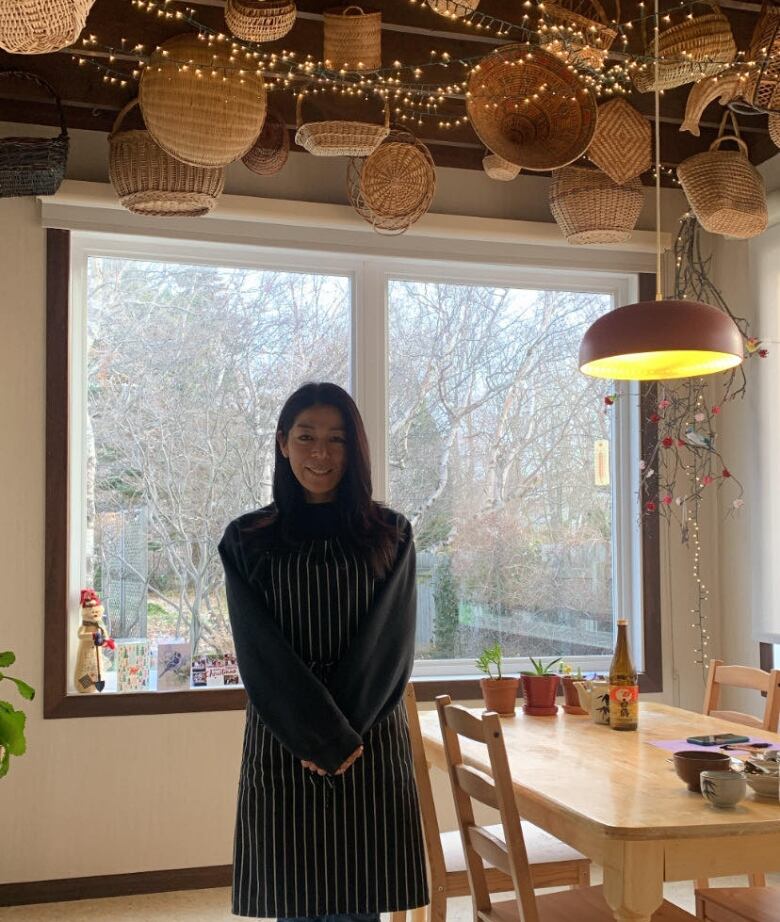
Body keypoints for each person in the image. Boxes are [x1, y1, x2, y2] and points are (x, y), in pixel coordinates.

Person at [218, 381, 429, 922]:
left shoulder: (392, 533)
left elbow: (390, 645)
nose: (320, 453)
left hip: (370, 738)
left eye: (336, 439)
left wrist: (339, 737)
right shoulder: (246, 538)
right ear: (283, 442)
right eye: (306, 436)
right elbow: (259, 653)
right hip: (285, 741)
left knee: (361, 904)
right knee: (294, 900)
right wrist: (314, 735)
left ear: (354, 449)